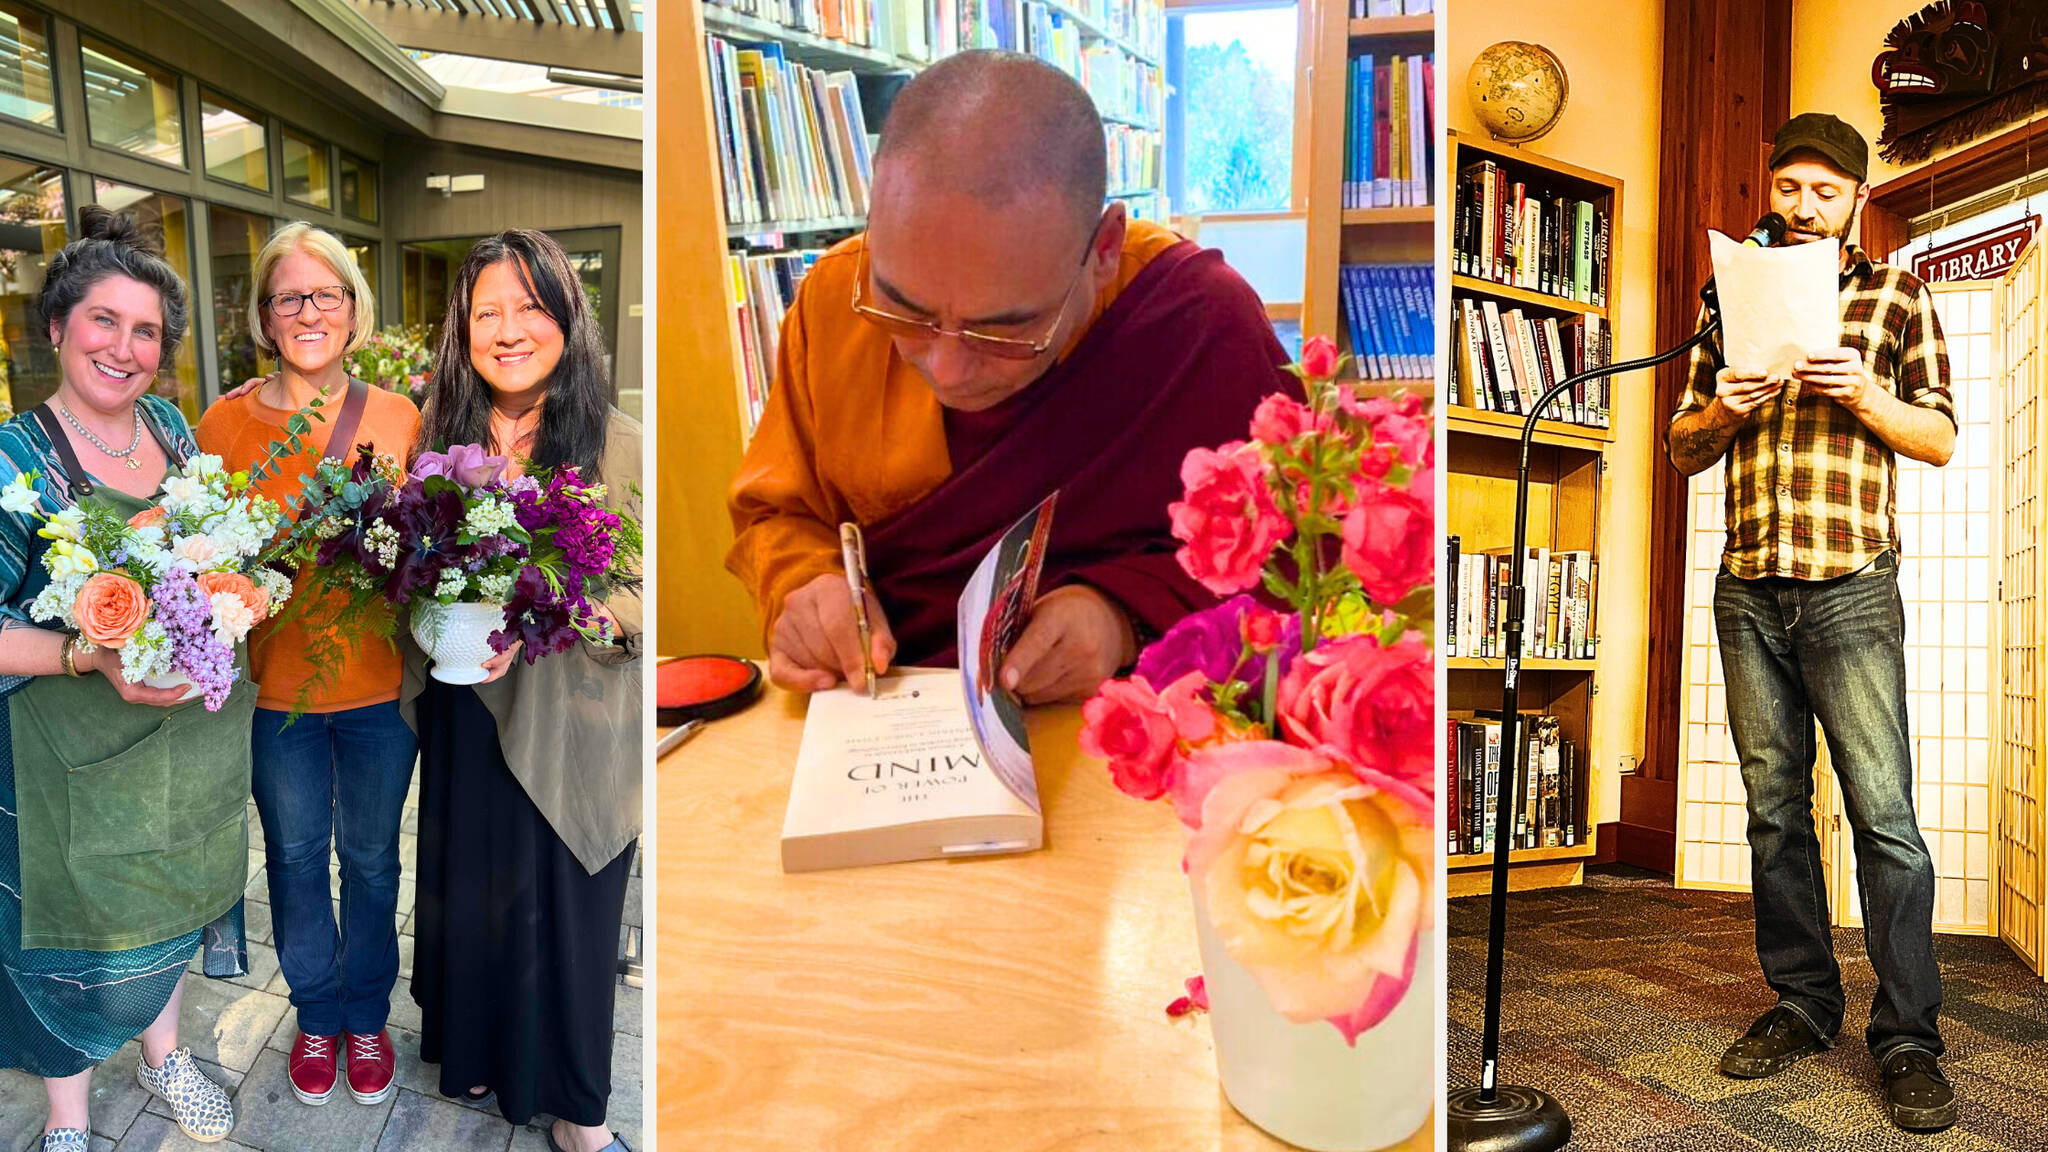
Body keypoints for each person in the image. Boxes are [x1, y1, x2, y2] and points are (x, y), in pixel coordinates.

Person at [728, 50, 1296, 701]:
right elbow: (777, 512)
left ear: (1104, 249)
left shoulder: (1199, 319)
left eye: (1002, 331)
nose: (944, 367)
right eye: (903, 312)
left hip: (1125, 721)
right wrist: (807, 586)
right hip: (883, 714)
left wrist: (1123, 620)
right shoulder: (833, 299)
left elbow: (1299, 561)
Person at [1666, 113, 1957, 1133]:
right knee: (1771, 813)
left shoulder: (1896, 296)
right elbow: (1679, 446)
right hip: (1747, 585)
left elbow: (1938, 437)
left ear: (1853, 203)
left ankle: (1907, 1035)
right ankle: (1800, 1001)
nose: (1800, 206)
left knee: (1883, 819)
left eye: (1822, 192)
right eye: (1788, 187)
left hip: (1848, 584)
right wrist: (1724, 410)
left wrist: (1867, 397)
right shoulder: (1725, 295)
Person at [0, 207, 247, 1148]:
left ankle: (165, 1056)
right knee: (70, 936)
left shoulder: (175, 431)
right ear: (57, 327)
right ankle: (69, 1118)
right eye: (104, 320)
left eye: (146, 331)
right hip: (61, 761)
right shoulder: (14, 463)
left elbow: (208, 555)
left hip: (176, 745)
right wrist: (85, 651)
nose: (124, 347)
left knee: (169, 898)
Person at [404, 229, 639, 1152]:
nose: (507, 330)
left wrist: (550, 611)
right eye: (486, 312)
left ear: (567, 318)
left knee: (567, 914)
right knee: (477, 894)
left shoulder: (618, 439)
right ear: (462, 332)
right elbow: (415, 573)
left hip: (572, 715)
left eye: (529, 307)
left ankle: (580, 1109)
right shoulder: (439, 438)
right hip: (469, 711)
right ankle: (474, 1054)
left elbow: (641, 593)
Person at [196, 222, 422, 1110]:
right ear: (264, 314)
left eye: (326, 294)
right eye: (289, 296)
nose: (309, 312)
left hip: (377, 689)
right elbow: (202, 554)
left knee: (371, 862)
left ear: (353, 308)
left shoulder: (400, 417)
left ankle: (366, 1011)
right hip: (277, 695)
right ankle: (317, 1013)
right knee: (291, 859)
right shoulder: (224, 423)